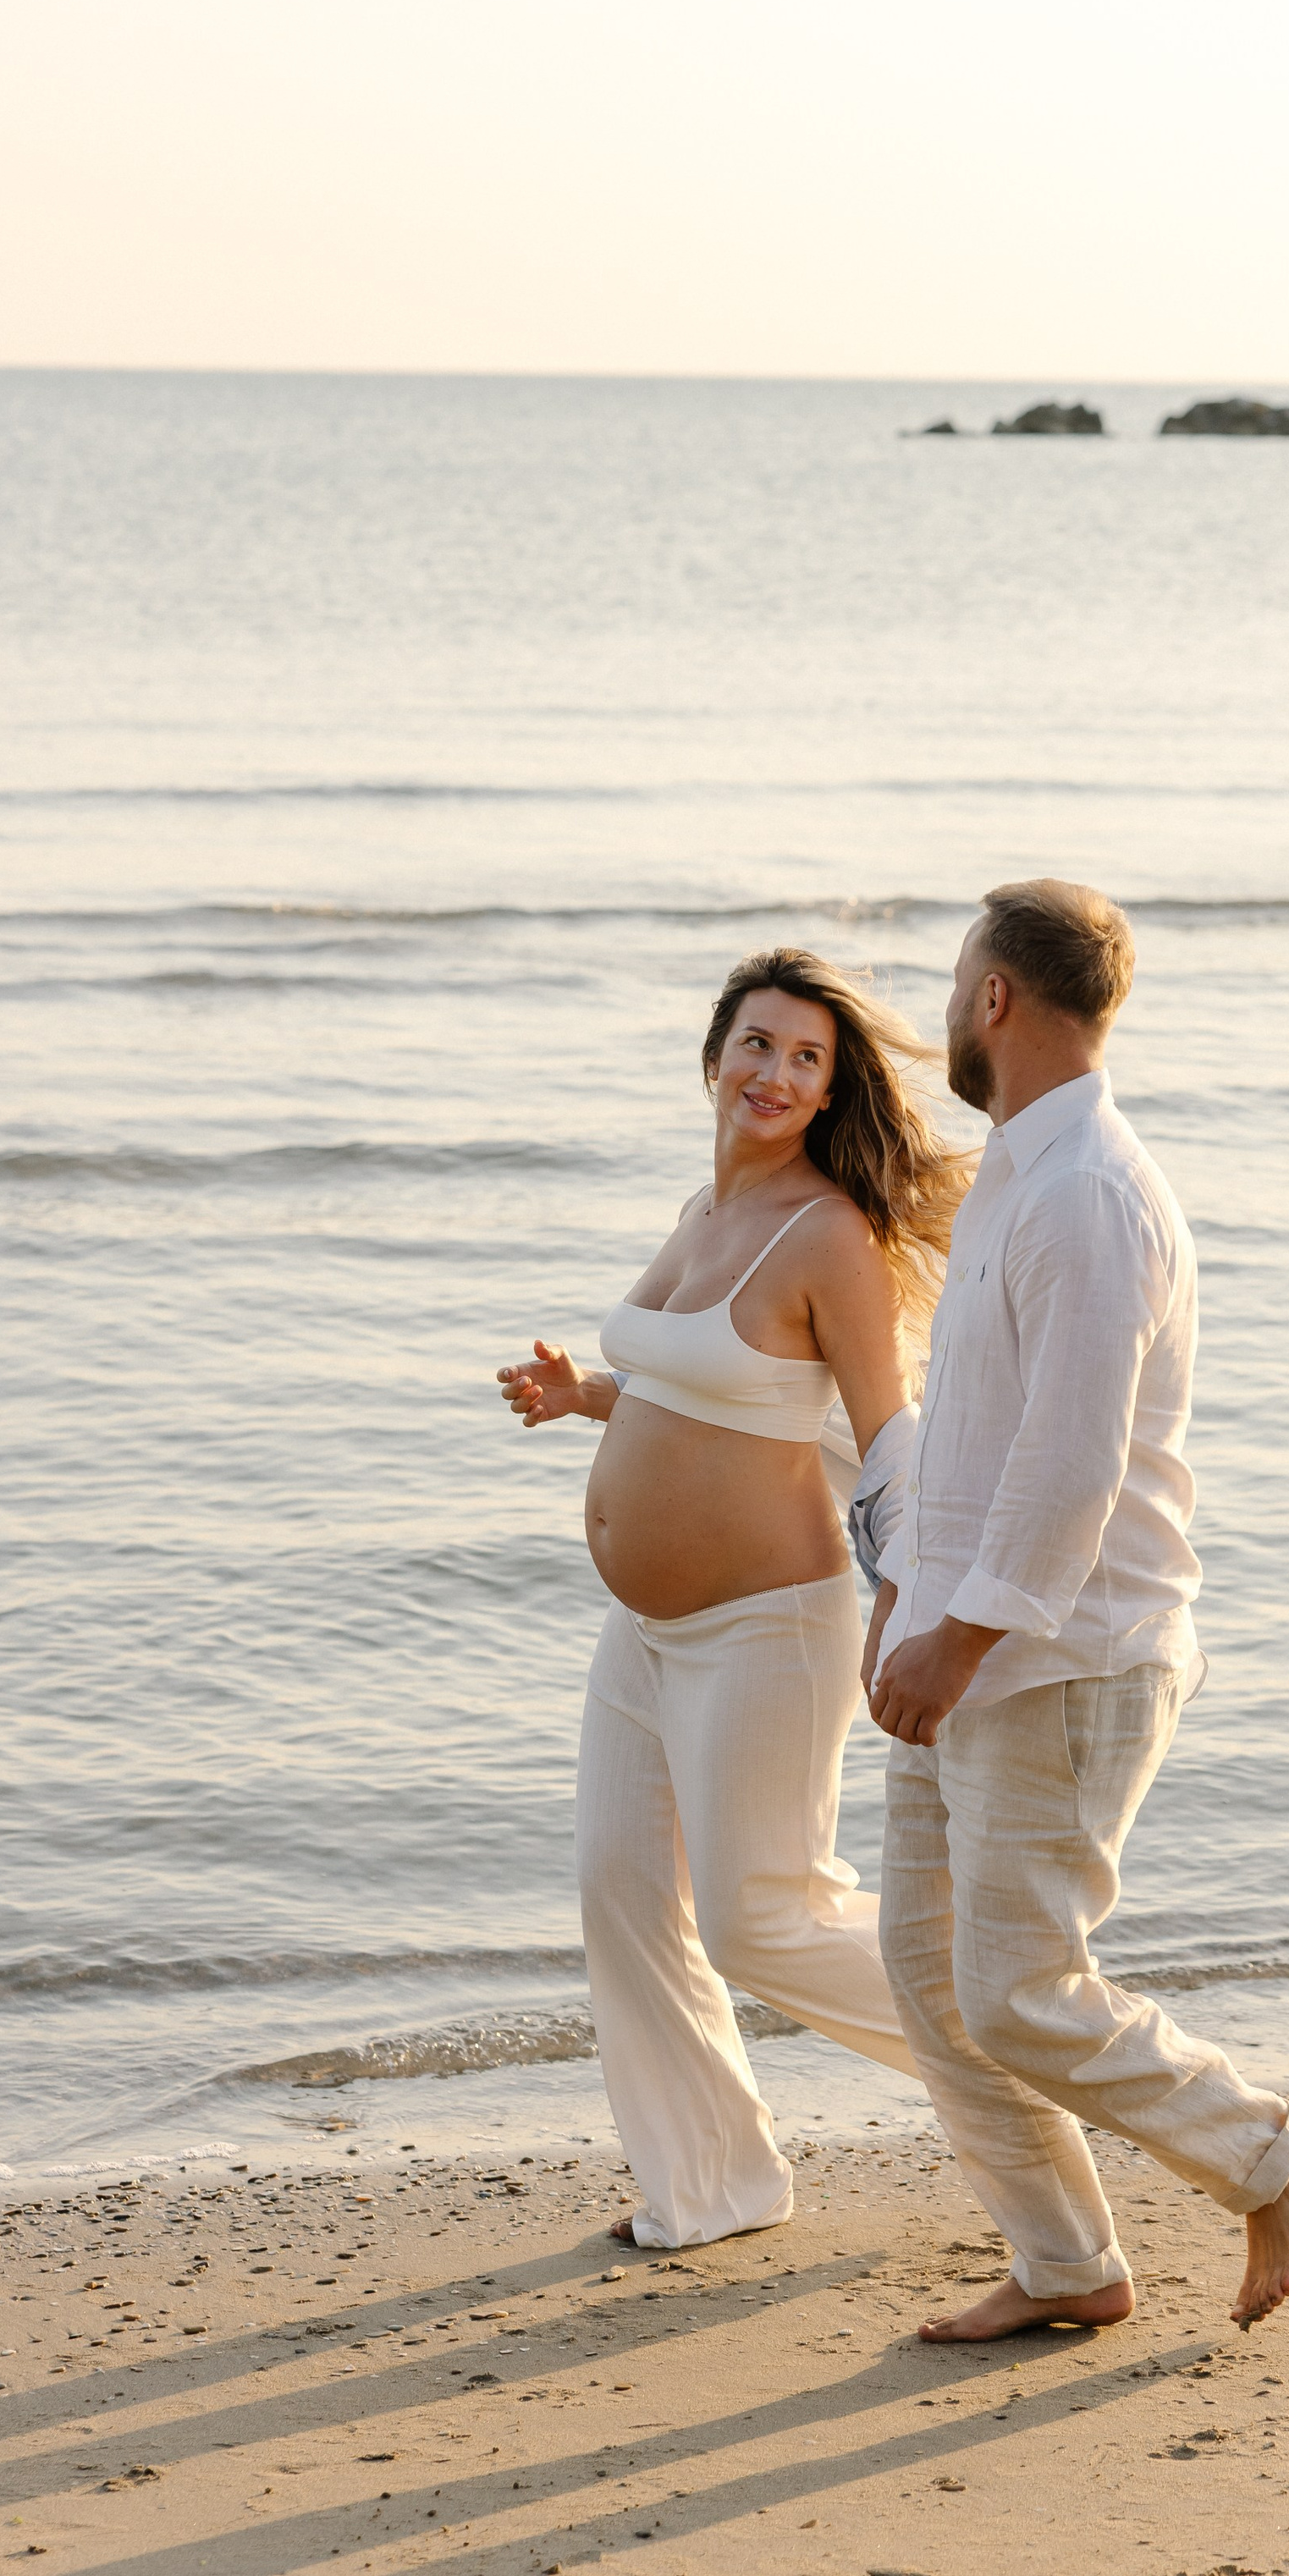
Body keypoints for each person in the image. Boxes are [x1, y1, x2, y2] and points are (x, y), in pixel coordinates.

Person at [864, 880, 1289, 2338]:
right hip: (967, 1642)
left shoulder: (1090, 1192)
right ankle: (1068, 2260)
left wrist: (962, 1631)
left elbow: (1073, 1457)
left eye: (956, 980)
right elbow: (979, 1425)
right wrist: (902, 1580)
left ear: (997, 996)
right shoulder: (1018, 1168)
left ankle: (1269, 2146)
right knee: (929, 1972)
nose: (946, 1006)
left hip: (1063, 1656)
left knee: (1012, 1986)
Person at [497, 947, 967, 2251]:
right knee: (622, 1892)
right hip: (643, 1633)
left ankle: (1017, 2045)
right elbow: (703, 1385)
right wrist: (585, 1396)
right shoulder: (705, 1212)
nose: (775, 1072)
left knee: (764, 1920)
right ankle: (714, 2184)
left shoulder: (829, 1235)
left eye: (806, 1058)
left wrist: (909, 1598)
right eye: (757, 1044)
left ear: (826, 1094)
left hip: (768, 1629)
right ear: (714, 1058)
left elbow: (889, 1440)